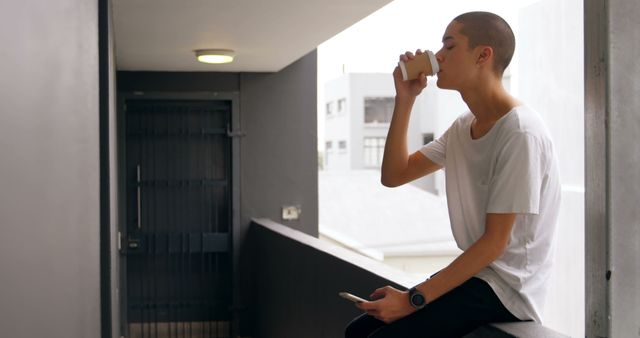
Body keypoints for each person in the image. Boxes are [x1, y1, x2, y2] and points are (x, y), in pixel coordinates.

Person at [344, 11, 561, 338]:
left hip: (508, 290)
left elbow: (494, 244)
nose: (437, 57)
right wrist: (405, 99)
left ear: (483, 55)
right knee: (358, 332)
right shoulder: (464, 127)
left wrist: (412, 299)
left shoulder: (520, 132)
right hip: (479, 278)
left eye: (449, 46)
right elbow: (394, 174)